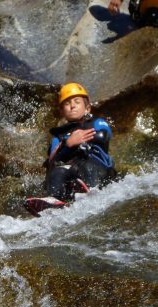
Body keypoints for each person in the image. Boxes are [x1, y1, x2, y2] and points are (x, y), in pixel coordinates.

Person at [24, 83, 114, 217]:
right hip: (73, 169)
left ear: (87, 108)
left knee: (87, 165)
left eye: (77, 102)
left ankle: (90, 191)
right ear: (62, 111)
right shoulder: (59, 137)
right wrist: (68, 143)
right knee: (58, 170)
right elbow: (53, 158)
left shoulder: (96, 122)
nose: (72, 106)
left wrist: (83, 137)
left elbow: (104, 135)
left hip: (96, 167)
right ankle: (54, 199)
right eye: (67, 104)